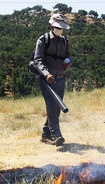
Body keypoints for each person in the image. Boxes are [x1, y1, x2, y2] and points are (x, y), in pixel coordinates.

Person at [33, 14, 71, 147]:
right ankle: (57, 136)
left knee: (58, 108)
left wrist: (67, 63)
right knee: (51, 107)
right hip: (47, 80)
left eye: (61, 28)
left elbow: (67, 57)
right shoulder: (43, 40)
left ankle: (45, 134)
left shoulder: (64, 41)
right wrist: (46, 74)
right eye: (57, 27)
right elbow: (37, 61)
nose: (59, 30)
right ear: (51, 26)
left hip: (60, 78)